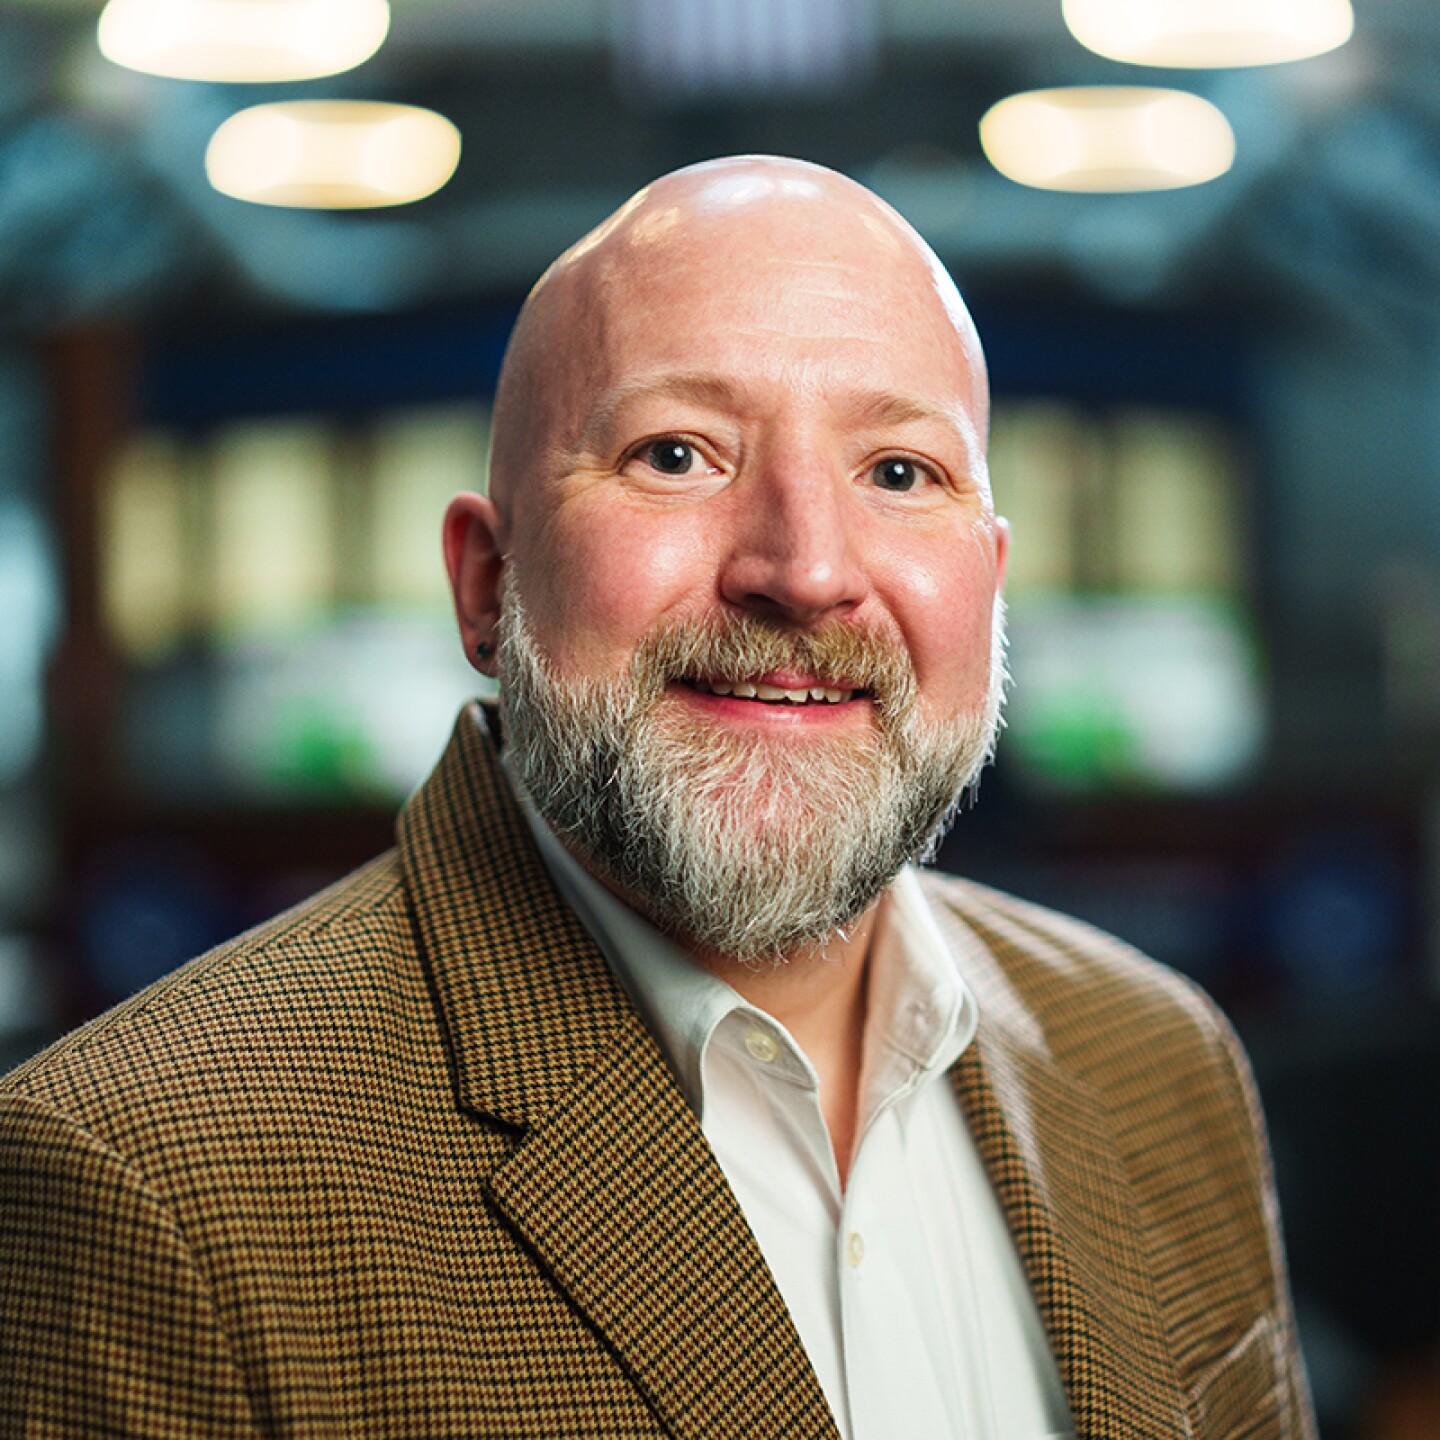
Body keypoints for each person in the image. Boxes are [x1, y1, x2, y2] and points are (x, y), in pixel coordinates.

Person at [0, 156, 1315, 1439]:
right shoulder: (147, 1176)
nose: (804, 569)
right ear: (485, 584)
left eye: (900, 473)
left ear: (989, 579)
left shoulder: (1163, 1060)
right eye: (678, 453)